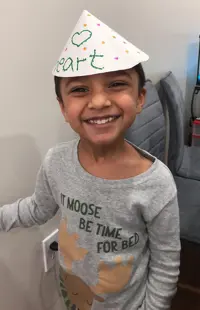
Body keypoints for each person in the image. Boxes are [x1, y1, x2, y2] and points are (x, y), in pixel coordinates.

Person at [0, 9, 180, 310]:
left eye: (116, 84)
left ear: (139, 98)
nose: (98, 101)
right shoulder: (56, 161)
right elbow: (36, 208)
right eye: (80, 89)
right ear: (62, 106)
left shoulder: (157, 184)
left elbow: (165, 264)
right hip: (74, 298)